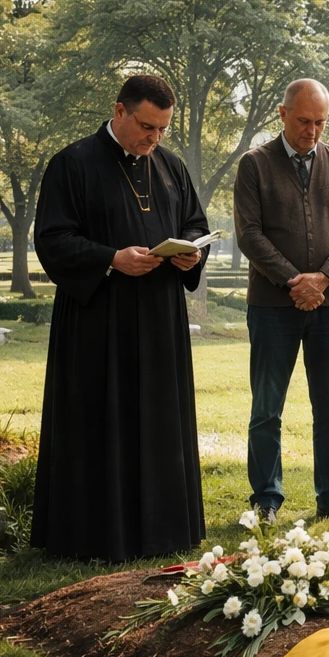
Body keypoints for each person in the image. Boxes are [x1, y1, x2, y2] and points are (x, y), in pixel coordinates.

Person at [31, 75, 208, 561]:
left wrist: (192, 253)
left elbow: (194, 223)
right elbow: (52, 239)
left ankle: (163, 532)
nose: (154, 139)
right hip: (99, 323)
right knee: (101, 422)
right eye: (147, 127)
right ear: (120, 111)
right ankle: (96, 536)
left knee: (158, 422)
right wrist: (112, 258)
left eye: (163, 129)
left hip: (159, 322)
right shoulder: (72, 164)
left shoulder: (170, 166)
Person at [233, 79, 329, 526]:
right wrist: (295, 280)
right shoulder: (254, 165)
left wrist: (323, 279)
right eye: (305, 121)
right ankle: (266, 499)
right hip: (272, 307)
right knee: (267, 408)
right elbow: (249, 234)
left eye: (321, 122)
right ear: (282, 113)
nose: (312, 130)